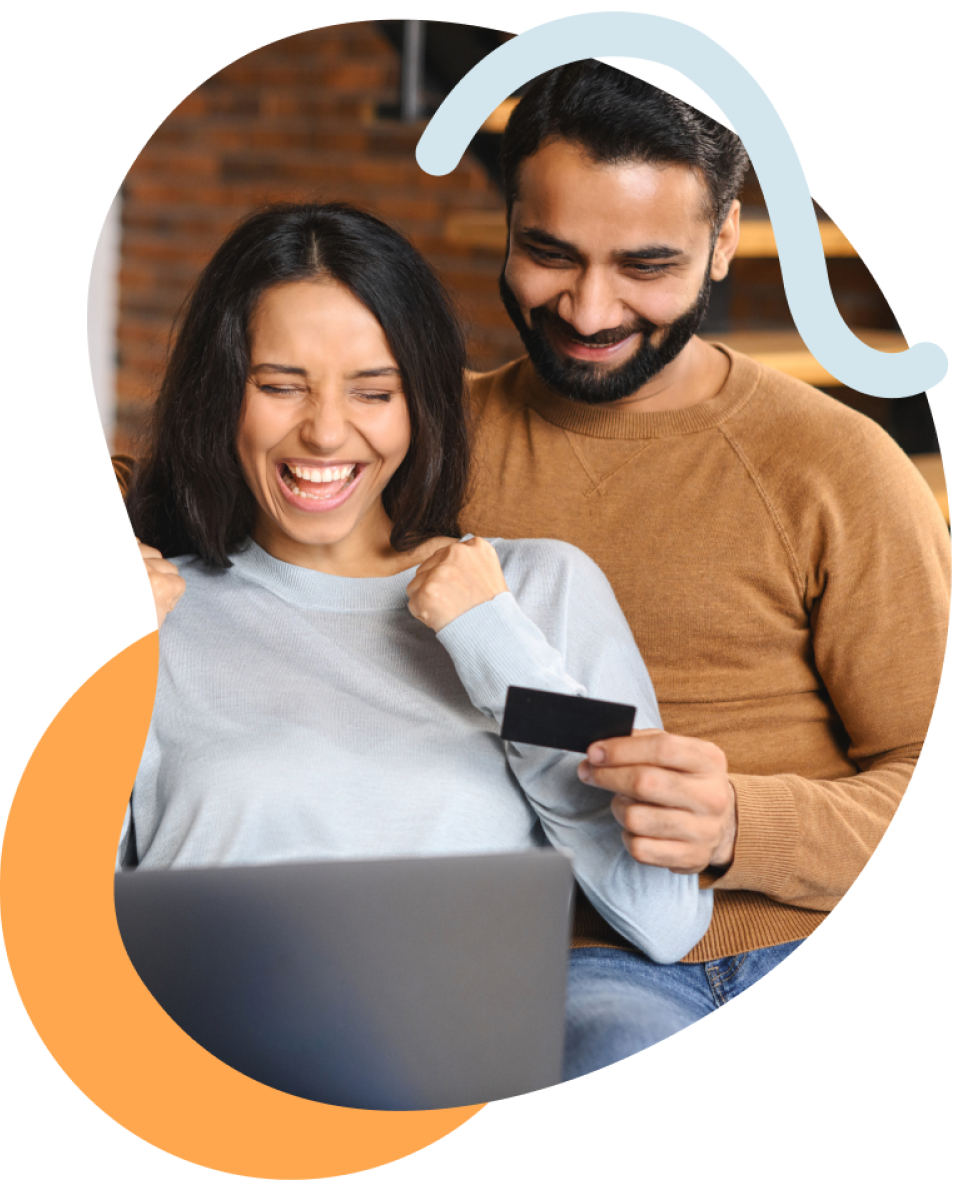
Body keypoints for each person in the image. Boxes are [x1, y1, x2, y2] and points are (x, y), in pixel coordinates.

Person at [115, 62, 951, 1070]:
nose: (589, 309)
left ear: (724, 240)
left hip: (763, 927)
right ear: (506, 224)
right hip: (551, 962)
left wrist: (738, 822)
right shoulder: (420, 435)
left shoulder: (825, 473)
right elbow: (247, 478)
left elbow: (605, 756)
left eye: (643, 265)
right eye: (549, 253)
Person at [118, 200, 715, 1086]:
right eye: (281, 385)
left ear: (422, 402)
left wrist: (492, 642)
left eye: (373, 391)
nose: (324, 431)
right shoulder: (163, 618)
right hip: (201, 1082)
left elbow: (661, 918)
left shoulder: (535, 595)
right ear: (222, 393)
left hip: (458, 1079)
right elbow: (53, 926)